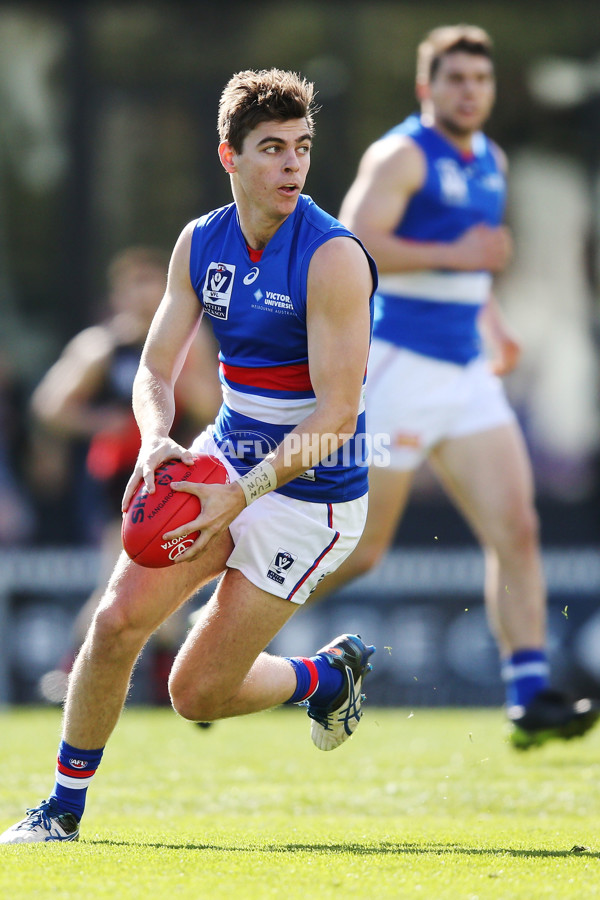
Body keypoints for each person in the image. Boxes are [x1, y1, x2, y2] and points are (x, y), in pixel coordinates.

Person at [0, 68, 377, 844]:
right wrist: (156, 435)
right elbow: (152, 369)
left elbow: (338, 415)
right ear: (229, 157)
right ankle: (61, 811)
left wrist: (242, 495)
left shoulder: (333, 257)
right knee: (113, 624)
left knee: (194, 692)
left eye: (302, 147)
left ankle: (323, 675)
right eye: (272, 148)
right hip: (223, 456)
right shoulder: (200, 242)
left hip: (313, 494)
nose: (292, 165)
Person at [310, 25, 599, 749]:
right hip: (400, 364)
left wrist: (491, 321)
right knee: (363, 549)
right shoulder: (402, 153)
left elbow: (471, 268)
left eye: (480, 80)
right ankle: (221, 621)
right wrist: (453, 253)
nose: (470, 91)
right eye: (455, 79)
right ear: (427, 88)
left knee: (518, 531)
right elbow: (352, 242)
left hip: (466, 371)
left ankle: (528, 695)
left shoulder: (490, 159)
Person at [29, 246, 223, 705]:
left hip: (181, 479)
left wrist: (179, 375)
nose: (144, 295)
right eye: (133, 285)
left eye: (152, 284)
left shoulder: (191, 342)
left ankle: (167, 686)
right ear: (118, 294)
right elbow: (50, 405)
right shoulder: (103, 346)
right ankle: (72, 674)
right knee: (115, 583)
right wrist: (102, 422)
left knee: (166, 589)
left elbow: (213, 407)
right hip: (123, 481)